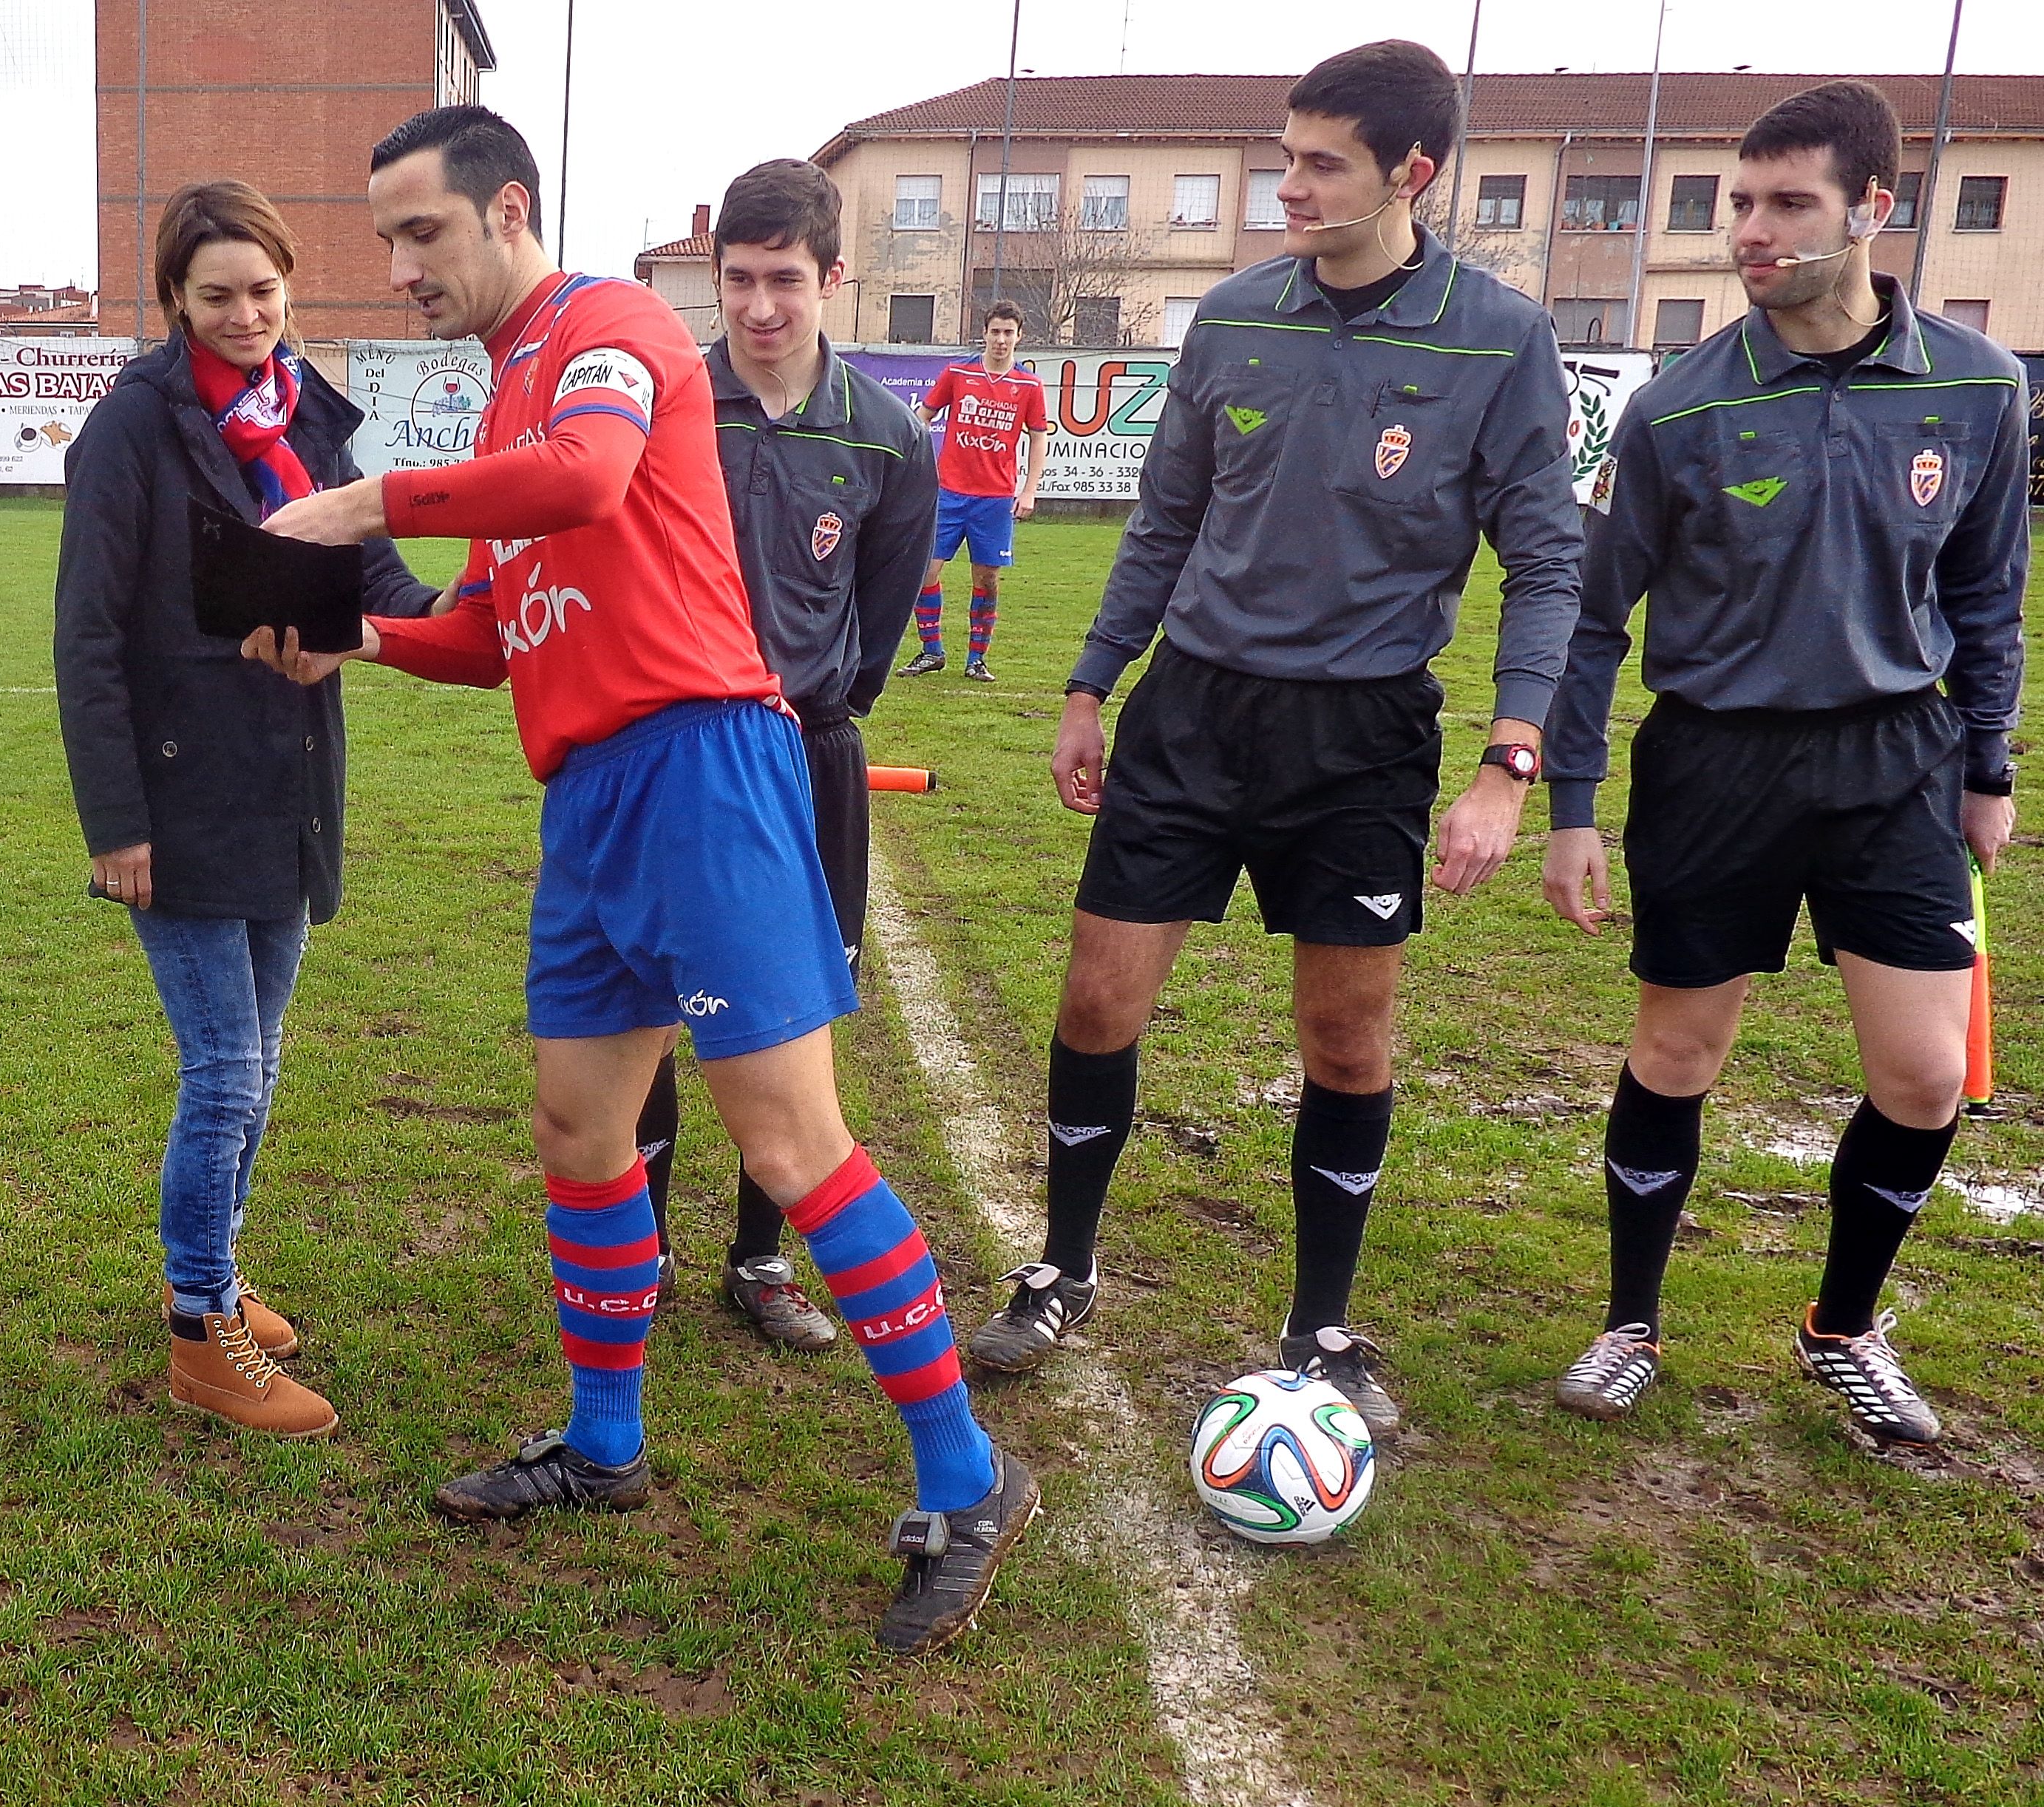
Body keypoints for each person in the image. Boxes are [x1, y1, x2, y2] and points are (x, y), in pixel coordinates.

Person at [253, 106, 1033, 1655]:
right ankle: (603, 1445)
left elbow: (592, 477)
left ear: (507, 210)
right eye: (387, 238)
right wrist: (363, 636)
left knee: (793, 1143)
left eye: (421, 232)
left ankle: (968, 1478)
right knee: (577, 1123)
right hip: (591, 795)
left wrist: (357, 505)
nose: (399, 265)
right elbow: (489, 631)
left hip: (704, 767)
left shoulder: (603, 328)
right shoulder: (497, 415)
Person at [974, 40, 1583, 1437]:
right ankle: (1064, 1267)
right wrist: (1088, 683)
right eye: (1283, 157)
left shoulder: (1498, 338)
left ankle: (1320, 1323)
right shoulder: (1236, 316)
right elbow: (1166, 520)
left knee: (1344, 1038)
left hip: (1363, 735)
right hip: (1191, 710)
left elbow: (1548, 565)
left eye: (1321, 166)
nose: (1286, 189)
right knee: (1095, 1002)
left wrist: (1508, 759)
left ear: (1411, 175)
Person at [1542, 81, 2028, 1442]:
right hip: (1713, 763)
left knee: (1925, 1077)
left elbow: (1989, 594)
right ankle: (1630, 1320)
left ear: (1874, 207)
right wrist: (1571, 808)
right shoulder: (1676, 409)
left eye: (1785, 204)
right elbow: (1590, 621)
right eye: (1735, 206)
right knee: (1677, 1047)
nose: (1749, 232)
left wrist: (1986, 767)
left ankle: (1842, 1326)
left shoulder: (1975, 387)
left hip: (1897, 763)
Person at [54, 180, 441, 1440]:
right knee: (224, 1069)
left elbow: (368, 561)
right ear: (172, 298)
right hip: (177, 799)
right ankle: (198, 1328)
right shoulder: (130, 434)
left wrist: (458, 613)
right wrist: (116, 824)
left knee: (259, 1066)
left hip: (287, 793)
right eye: (216, 295)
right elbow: (89, 637)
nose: (245, 315)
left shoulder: (307, 421)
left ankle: (212, 1270)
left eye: (263, 291)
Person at [631, 159, 940, 1351]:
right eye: (739, 280)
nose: (760, 308)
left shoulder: (888, 438)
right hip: (664, 752)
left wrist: (804, 706)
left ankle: (758, 1258)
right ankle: (642, 1247)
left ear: (833, 278)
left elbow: (874, 615)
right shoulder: (663, 406)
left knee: (784, 1018)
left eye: (786, 281)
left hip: (802, 752)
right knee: (648, 1006)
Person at [895, 300, 1048, 684]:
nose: (1001, 340)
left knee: (987, 578)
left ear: (1019, 336)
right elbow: (922, 418)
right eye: (995, 331)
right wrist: (914, 465)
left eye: (1008, 333)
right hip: (948, 494)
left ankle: (976, 659)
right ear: (984, 333)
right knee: (923, 571)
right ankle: (932, 651)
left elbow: (1038, 439)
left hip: (994, 499)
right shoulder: (959, 373)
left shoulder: (1029, 385)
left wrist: (1029, 490)